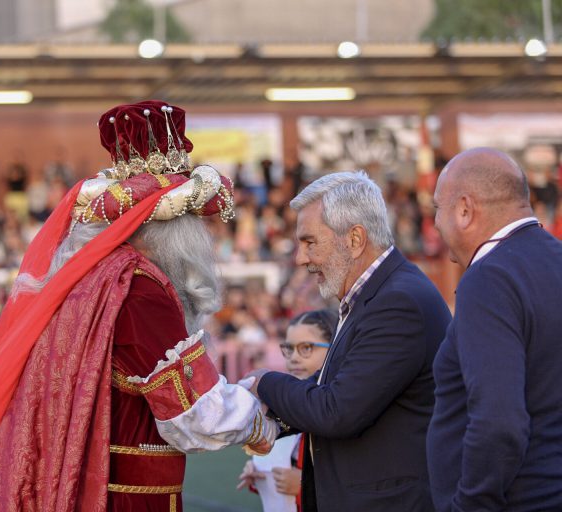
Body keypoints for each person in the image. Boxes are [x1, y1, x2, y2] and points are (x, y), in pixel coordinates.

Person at [0, 100, 278, 512]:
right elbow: (195, 414)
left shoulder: (95, 275)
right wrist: (261, 419)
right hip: (124, 499)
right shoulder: (138, 289)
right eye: (191, 218)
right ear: (168, 226)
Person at [245, 170, 451, 512]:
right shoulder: (379, 294)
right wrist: (272, 417)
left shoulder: (397, 302)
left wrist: (265, 383)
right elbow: (339, 386)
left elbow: (338, 410)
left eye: (310, 242)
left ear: (355, 239)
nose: (301, 258)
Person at [427, 147, 562, 511]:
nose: (436, 222)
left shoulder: (489, 279)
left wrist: (470, 505)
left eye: (438, 208)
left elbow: (499, 422)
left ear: (465, 210)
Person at [238, 309, 337, 511]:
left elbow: (359, 478)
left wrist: (304, 485)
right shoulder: (288, 407)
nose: (293, 358)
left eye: (306, 348)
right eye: (289, 349)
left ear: (335, 349)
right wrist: (263, 476)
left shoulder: (338, 408)